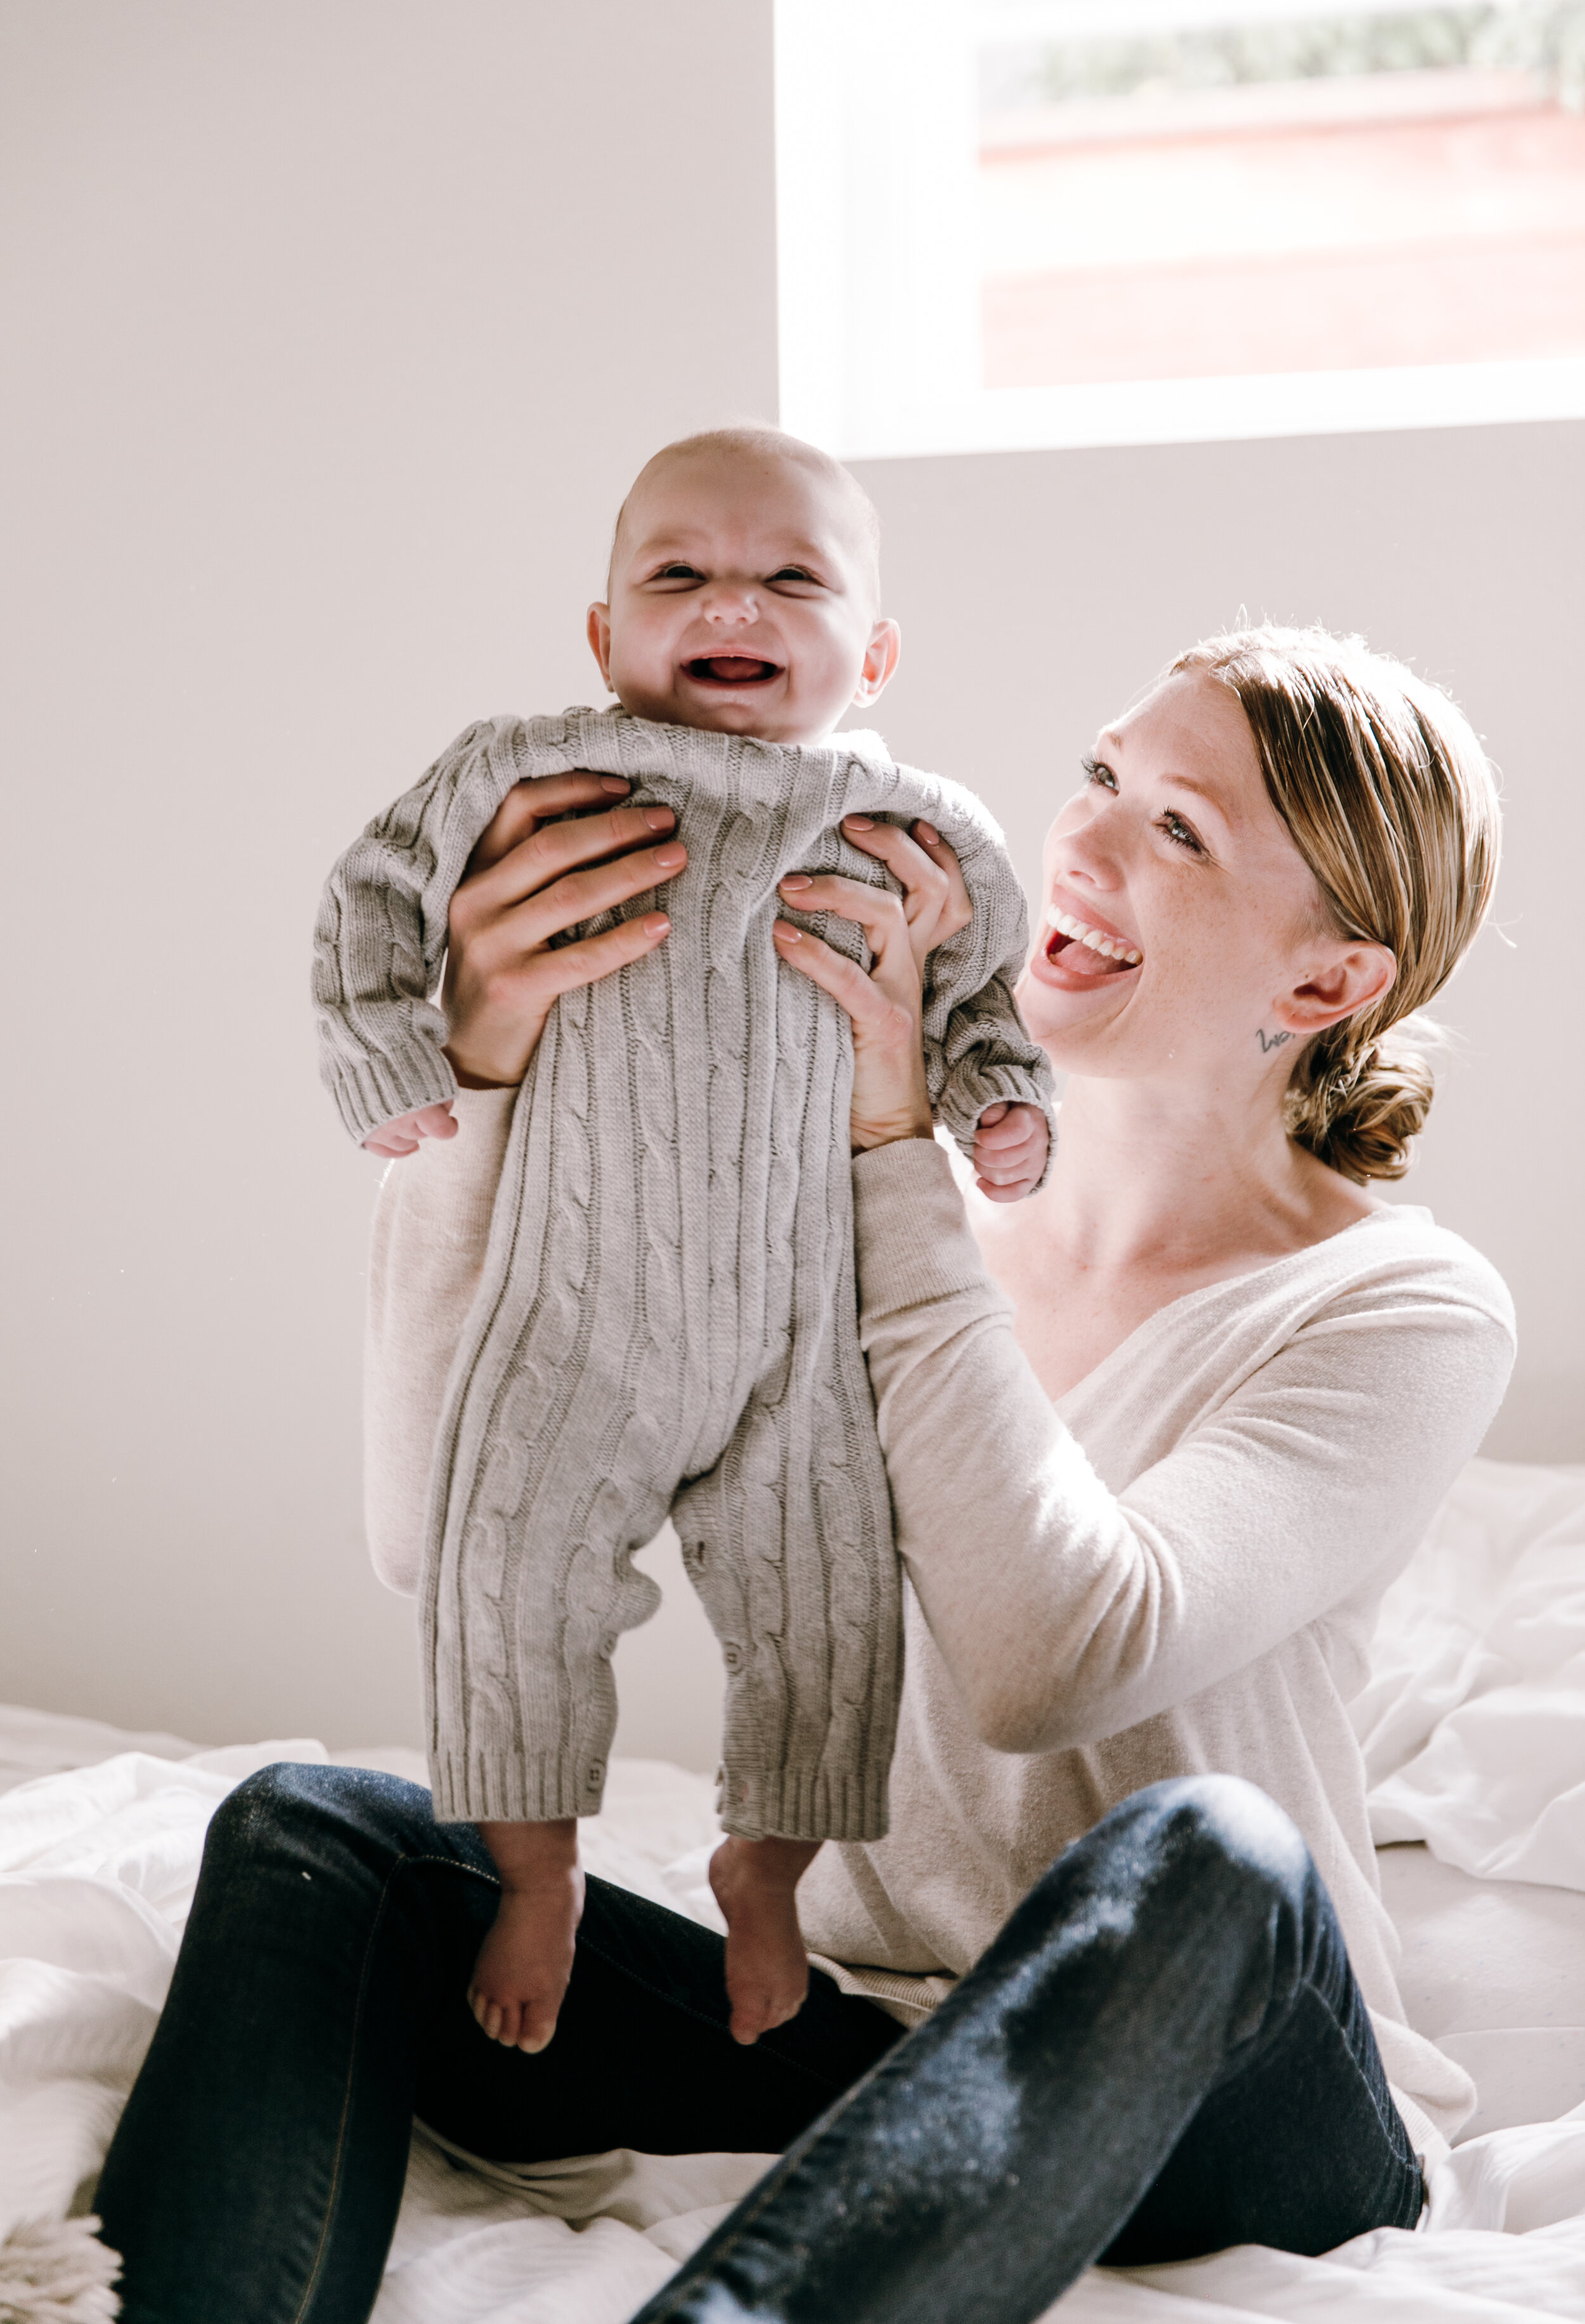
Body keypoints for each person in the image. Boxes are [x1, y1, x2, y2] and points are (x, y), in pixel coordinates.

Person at [96, 623, 1513, 2324]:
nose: (1079, 842)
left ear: (1323, 986)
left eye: (1180, 831)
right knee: (321, 1834)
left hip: (1232, 2088)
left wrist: (886, 1166)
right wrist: (471, 1082)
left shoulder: (1395, 1307)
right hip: (857, 2037)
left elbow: (1054, 1656)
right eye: (1100, 779)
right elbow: (439, 1531)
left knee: (1210, 1849)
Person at [314, 425, 1051, 2059]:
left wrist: (1002, 1103)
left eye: (793, 576)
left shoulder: (914, 829)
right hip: (568, 1303)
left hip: (798, 1324)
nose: (736, 599)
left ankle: (766, 1867)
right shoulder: (527, 771)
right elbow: (373, 892)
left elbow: (978, 997)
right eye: (680, 573)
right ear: (604, 634)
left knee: (833, 1614)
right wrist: (389, 1050)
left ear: (873, 652)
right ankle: (536, 1871)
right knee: (500, 1588)